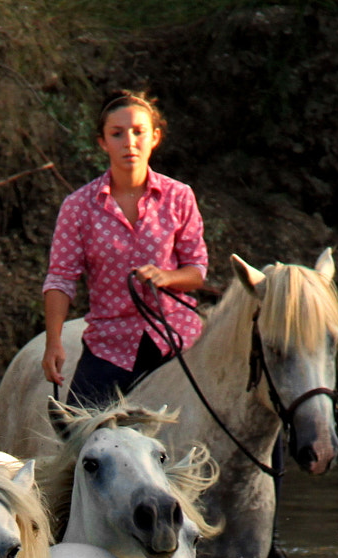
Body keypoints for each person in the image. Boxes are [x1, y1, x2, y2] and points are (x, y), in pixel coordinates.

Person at [41, 91, 208, 409]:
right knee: (76, 428)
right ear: (103, 142)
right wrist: (53, 342)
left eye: (138, 132)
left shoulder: (179, 196)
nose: (128, 142)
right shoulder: (78, 207)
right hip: (111, 343)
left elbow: (196, 270)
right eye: (117, 134)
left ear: (155, 137)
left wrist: (166, 277)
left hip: (176, 338)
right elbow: (61, 279)